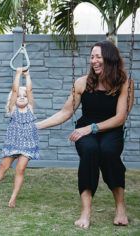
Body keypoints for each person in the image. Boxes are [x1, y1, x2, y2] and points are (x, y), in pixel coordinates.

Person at [36, 40, 134, 229]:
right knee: (89, 150)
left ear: (110, 59)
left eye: (98, 57)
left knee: (108, 152)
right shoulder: (82, 83)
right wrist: (37, 125)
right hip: (85, 131)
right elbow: (65, 112)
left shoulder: (125, 83)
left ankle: (120, 207)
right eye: (92, 57)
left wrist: (90, 128)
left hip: (111, 130)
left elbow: (121, 117)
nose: (94, 61)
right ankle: (85, 212)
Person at [0, 67, 40, 208]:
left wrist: (27, 75)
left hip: (28, 144)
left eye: (24, 95)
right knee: (4, 165)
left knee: (20, 169)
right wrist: (18, 74)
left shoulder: (30, 108)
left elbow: (30, 90)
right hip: (13, 143)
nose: (22, 97)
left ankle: (13, 197)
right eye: (19, 95)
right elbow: (15, 91)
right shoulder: (12, 109)